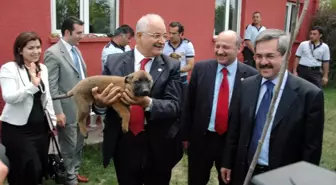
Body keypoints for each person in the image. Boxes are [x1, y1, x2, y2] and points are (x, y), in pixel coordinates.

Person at [221, 29, 324, 185]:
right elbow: (235, 130)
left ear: (286, 56)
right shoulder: (246, 86)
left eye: (270, 56)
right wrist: (227, 162)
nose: (263, 62)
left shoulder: (309, 95)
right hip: (245, 172)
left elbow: (312, 148)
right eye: (259, 56)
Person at [92, 13, 183, 185]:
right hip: (124, 142)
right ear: (139, 36)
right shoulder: (114, 62)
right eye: (157, 36)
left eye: (165, 36)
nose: (163, 41)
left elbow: (174, 106)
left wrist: (147, 103)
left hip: (157, 144)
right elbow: (101, 101)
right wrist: (100, 103)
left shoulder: (172, 66)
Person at [182, 30, 257, 185]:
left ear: (239, 48)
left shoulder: (251, 76)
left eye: (226, 47)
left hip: (231, 143)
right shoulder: (201, 69)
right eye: (217, 46)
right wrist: (185, 136)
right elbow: (189, 104)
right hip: (201, 140)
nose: (220, 51)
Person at [0, 31, 57, 185]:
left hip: (40, 129)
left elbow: (47, 97)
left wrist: (53, 121)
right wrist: (32, 86)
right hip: (17, 130)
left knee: (38, 170)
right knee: (29, 168)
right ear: (20, 50)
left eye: (38, 47)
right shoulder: (9, 69)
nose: (36, 51)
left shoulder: (42, 68)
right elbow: (9, 97)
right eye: (30, 48)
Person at [44, 16, 89, 185]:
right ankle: (69, 177)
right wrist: (58, 112)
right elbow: (51, 87)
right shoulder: (53, 53)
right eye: (79, 32)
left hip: (82, 106)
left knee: (79, 142)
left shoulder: (76, 50)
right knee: (68, 146)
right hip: (67, 109)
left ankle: (74, 171)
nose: (82, 36)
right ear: (67, 32)